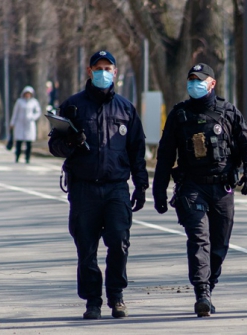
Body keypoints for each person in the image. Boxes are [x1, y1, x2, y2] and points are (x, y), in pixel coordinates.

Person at [48, 50, 149, 320]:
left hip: (116, 187)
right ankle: (93, 300)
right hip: (84, 189)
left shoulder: (126, 108)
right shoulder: (73, 106)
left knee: (119, 243)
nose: (103, 72)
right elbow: (54, 145)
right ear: (89, 71)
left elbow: (137, 150)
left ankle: (116, 296)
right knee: (86, 248)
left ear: (115, 72)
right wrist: (71, 142)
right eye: (98, 67)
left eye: (108, 67)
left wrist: (141, 185)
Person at [152, 63, 247, 317]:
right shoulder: (179, 115)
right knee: (200, 239)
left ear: (212, 83)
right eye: (190, 79)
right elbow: (165, 156)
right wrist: (158, 191)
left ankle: (209, 286)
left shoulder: (228, 112)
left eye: (199, 79)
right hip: (191, 187)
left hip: (222, 188)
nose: (194, 83)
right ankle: (201, 292)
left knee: (219, 245)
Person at [10, 86, 41, 163]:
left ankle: (27, 158)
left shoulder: (34, 102)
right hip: (20, 124)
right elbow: (15, 113)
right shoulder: (19, 102)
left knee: (28, 142)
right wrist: (12, 123)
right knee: (19, 142)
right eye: (26, 94)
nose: (27, 95)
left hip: (29, 124)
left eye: (29, 94)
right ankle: (17, 156)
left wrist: (33, 117)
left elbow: (38, 112)